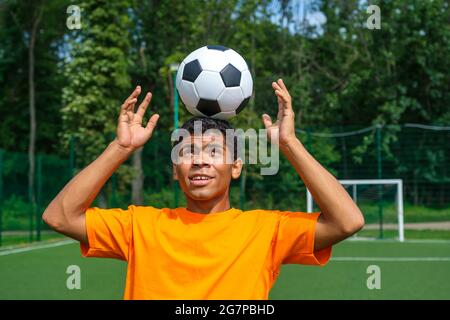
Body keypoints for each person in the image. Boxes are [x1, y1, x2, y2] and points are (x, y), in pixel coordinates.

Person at [43, 79, 364, 300]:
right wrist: (120, 147)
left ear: (236, 166)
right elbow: (60, 216)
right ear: (175, 170)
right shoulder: (138, 226)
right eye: (187, 152)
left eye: (213, 152)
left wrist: (290, 144)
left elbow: (346, 222)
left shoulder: (266, 231)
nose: (199, 162)